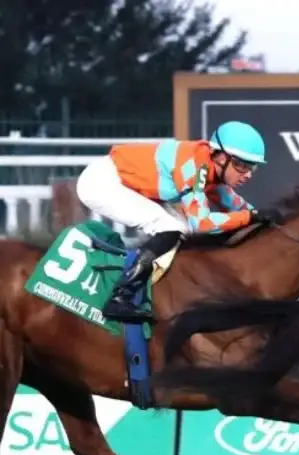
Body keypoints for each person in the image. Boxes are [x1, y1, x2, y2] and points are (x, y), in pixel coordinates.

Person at [75, 120, 283, 323]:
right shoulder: (193, 167)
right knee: (172, 226)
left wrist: (264, 217)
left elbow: (237, 206)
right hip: (101, 183)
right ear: (219, 156)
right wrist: (250, 217)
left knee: (180, 227)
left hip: (124, 183)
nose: (246, 175)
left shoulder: (210, 168)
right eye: (240, 165)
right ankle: (121, 298)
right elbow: (203, 224)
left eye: (251, 168)